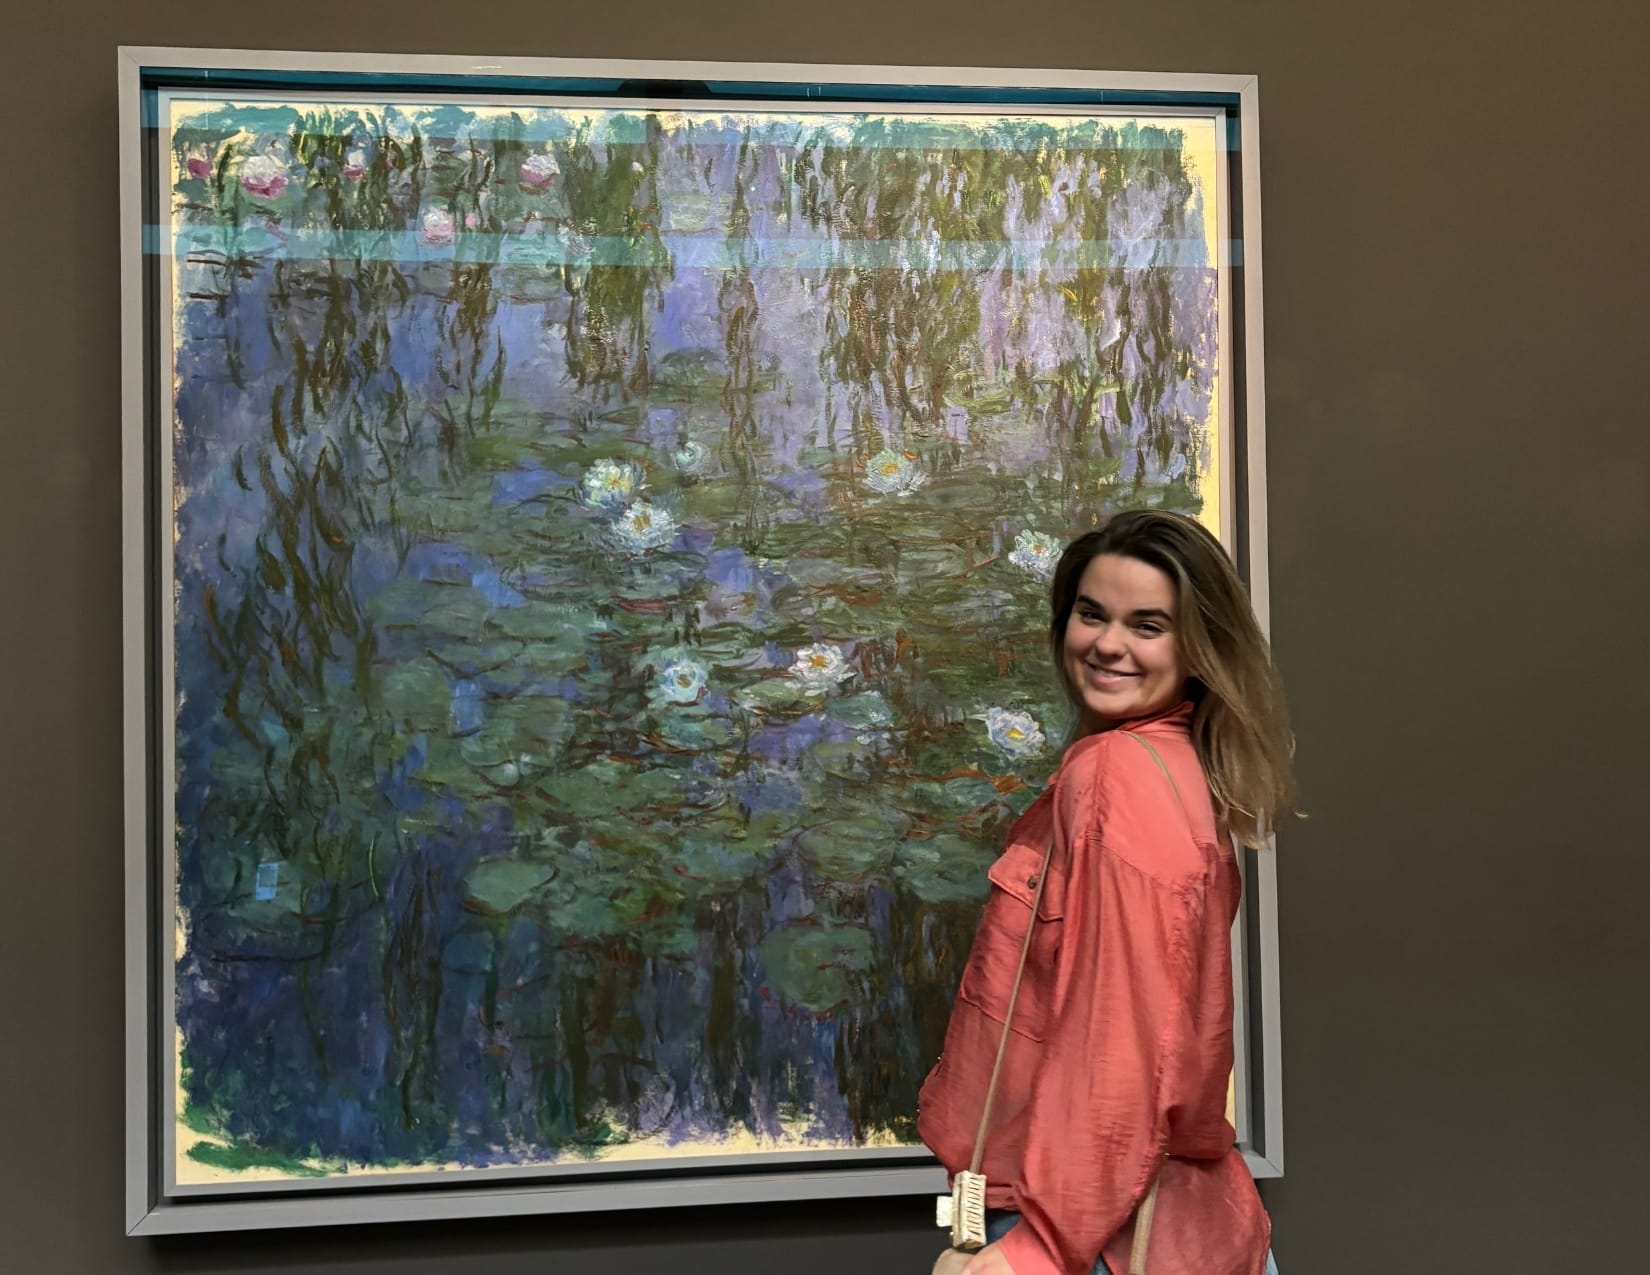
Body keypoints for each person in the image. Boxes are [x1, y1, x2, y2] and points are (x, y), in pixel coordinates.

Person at [918, 510, 1296, 1275]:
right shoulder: (1177, 772)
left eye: (1147, 624)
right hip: (1165, 1229)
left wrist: (1041, 1248)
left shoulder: (1116, 776)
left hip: (1089, 1239)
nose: (1108, 644)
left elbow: (1123, 1042)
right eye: (1092, 614)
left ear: (1196, 647)